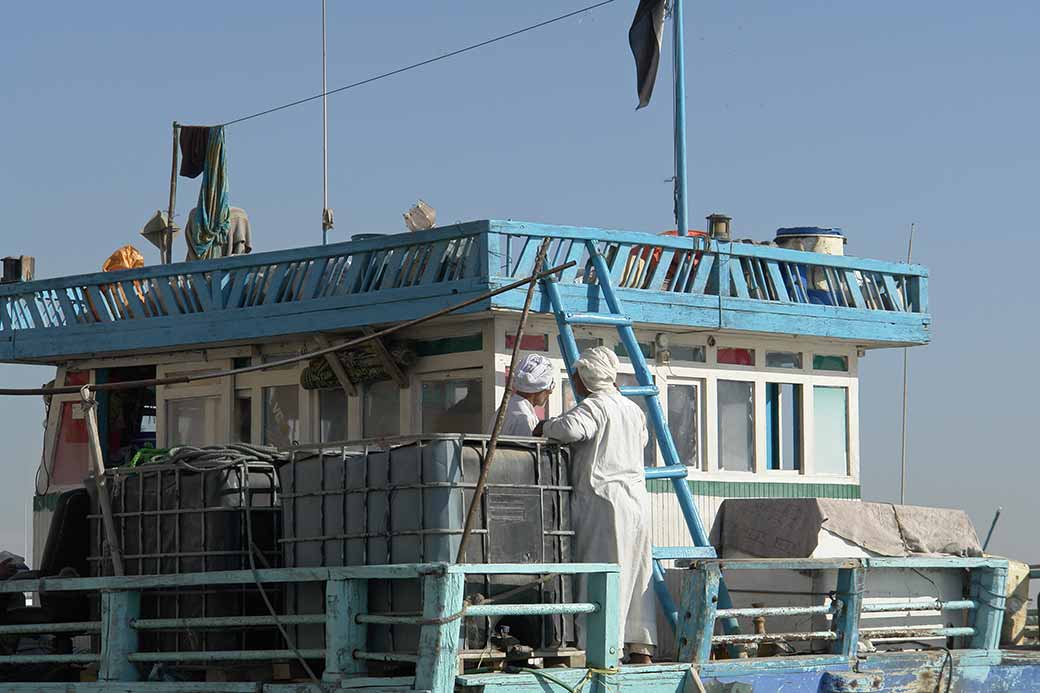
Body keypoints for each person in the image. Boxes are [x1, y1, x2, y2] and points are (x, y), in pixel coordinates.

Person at [533, 346, 656, 663]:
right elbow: (640, 442)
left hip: (604, 502)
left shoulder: (593, 406)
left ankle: (599, 649)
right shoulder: (632, 409)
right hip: (638, 501)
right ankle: (640, 646)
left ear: (586, 376)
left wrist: (543, 427)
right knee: (636, 573)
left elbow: (570, 429)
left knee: (599, 574)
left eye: (576, 375)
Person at [491, 353, 555, 437]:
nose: (550, 392)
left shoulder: (506, 409)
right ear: (537, 390)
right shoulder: (523, 418)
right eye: (549, 387)